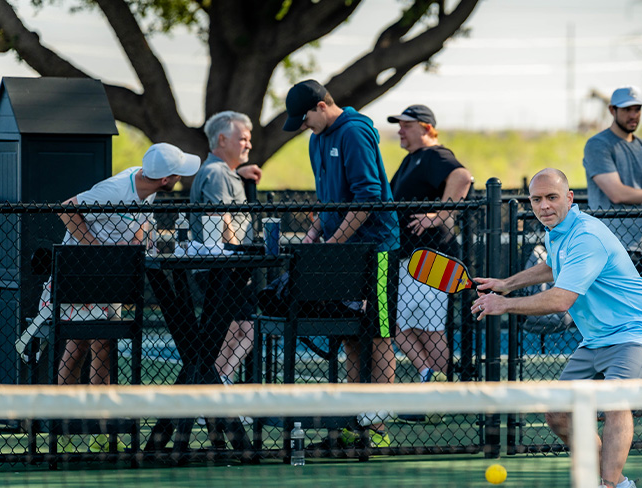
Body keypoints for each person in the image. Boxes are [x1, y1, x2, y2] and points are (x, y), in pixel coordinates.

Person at [471, 168, 642, 488]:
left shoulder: (586, 235)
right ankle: (620, 482)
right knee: (558, 413)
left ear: (570, 198)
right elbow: (553, 268)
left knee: (613, 399)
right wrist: (507, 285)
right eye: (536, 199)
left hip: (635, 331)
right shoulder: (559, 233)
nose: (544, 206)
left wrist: (503, 304)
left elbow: (561, 299)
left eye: (551, 197)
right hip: (596, 337)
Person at [50, 143, 200, 449]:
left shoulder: (148, 188)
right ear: (165, 179)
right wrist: (96, 250)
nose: (180, 176)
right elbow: (66, 208)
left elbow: (140, 221)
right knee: (88, 343)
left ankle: (88, 428)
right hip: (78, 274)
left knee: (93, 344)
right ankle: (75, 426)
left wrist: (136, 241)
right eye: (177, 172)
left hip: (108, 279)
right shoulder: (115, 189)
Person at [283, 79, 400, 447]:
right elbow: (327, 199)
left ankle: (377, 429)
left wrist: (332, 243)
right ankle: (355, 420)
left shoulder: (354, 132)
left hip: (375, 249)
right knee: (351, 334)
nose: (303, 126)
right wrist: (314, 235)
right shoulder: (317, 139)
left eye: (304, 118)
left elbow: (369, 197)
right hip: (342, 250)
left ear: (321, 107)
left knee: (379, 334)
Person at [386, 104, 473, 389]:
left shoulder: (435, 154)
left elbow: (462, 177)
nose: (400, 130)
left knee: (430, 329)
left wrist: (439, 216)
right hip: (411, 258)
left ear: (426, 128)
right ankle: (431, 377)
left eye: (406, 125)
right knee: (399, 325)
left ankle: (441, 390)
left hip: (431, 258)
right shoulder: (414, 158)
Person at [189, 111, 263, 386]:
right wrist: (235, 263)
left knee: (243, 328)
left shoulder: (221, 172)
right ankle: (217, 388)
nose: (248, 145)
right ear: (222, 139)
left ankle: (218, 384)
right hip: (223, 268)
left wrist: (238, 175)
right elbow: (222, 218)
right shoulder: (216, 173)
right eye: (242, 138)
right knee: (234, 330)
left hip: (225, 267)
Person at [583, 86, 642, 291]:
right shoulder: (598, 145)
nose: (633, 115)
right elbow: (616, 193)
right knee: (612, 314)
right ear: (612, 110)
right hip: (610, 246)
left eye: (637, 109)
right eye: (627, 110)